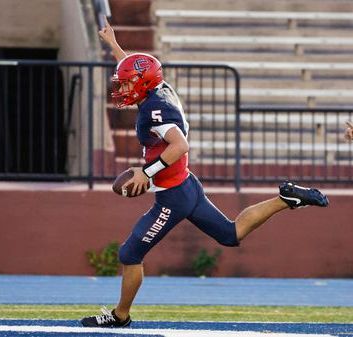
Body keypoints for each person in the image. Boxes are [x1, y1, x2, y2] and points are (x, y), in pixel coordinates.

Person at [80, 18, 329, 328]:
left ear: (143, 83)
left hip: (172, 196)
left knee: (130, 253)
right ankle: (285, 198)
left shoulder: (155, 110)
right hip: (187, 185)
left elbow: (179, 145)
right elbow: (140, 73)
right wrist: (116, 47)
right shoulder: (159, 88)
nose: (123, 86)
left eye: (128, 82)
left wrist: (148, 171)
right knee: (231, 234)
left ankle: (120, 316)